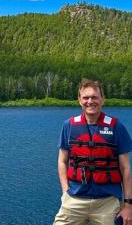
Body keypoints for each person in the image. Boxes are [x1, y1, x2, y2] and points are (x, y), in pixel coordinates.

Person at [53, 79, 132, 225]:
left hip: (107, 203)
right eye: (86, 97)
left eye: (94, 97)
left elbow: (126, 168)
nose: (90, 101)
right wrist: (65, 192)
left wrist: (128, 205)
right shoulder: (68, 126)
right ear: (79, 100)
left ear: (102, 99)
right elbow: (62, 161)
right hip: (74, 200)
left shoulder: (116, 126)